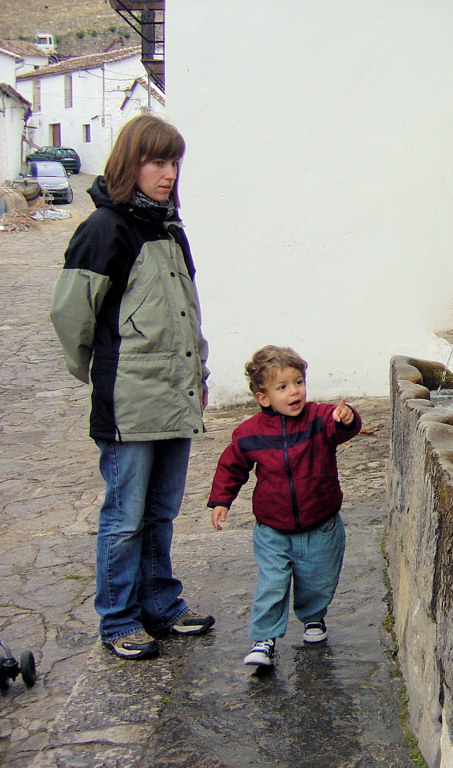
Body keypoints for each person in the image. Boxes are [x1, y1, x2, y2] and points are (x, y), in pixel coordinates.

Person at [50, 115, 214, 660]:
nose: (167, 174)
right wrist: (101, 375)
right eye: (156, 162)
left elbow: (187, 314)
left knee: (161, 512)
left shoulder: (170, 228)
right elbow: (71, 314)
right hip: (130, 403)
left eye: (173, 163)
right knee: (123, 519)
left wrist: (200, 376)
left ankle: (160, 606)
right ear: (130, 163)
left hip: (175, 396)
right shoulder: (105, 228)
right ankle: (118, 619)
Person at [208, 345, 362, 667]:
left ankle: (313, 617)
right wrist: (222, 500)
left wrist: (346, 418)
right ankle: (263, 639)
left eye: (298, 382)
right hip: (272, 528)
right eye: (283, 387)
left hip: (321, 523)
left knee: (318, 580)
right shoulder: (249, 434)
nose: (294, 391)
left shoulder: (320, 418)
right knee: (272, 582)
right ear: (263, 398)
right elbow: (231, 466)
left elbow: (342, 429)